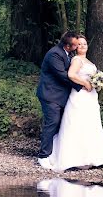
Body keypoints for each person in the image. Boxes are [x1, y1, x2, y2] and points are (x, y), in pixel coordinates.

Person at [41, 34, 103, 172]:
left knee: (90, 125)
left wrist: (97, 83)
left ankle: (91, 157)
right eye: (79, 44)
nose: (83, 46)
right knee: (77, 123)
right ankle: (72, 158)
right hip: (80, 95)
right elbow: (71, 75)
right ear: (74, 47)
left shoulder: (89, 62)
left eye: (85, 43)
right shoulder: (76, 60)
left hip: (90, 96)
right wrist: (85, 83)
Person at [37, 31, 91, 169]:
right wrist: (82, 85)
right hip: (50, 95)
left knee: (60, 124)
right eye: (76, 44)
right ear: (68, 46)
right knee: (52, 123)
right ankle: (43, 156)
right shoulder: (55, 54)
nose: (78, 46)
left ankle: (54, 154)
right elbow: (62, 75)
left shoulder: (66, 54)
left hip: (60, 96)